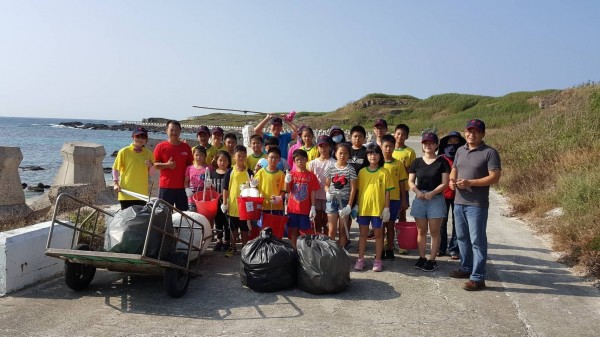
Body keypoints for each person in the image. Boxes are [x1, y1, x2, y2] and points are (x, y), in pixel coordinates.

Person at [449, 119, 502, 291]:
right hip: (459, 202)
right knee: (462, 238)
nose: (472, 135)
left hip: (476, 205)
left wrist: (470, 182)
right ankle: (466, 268)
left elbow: (494, 177)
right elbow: (455, 169)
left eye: (476, 132)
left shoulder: (489, 153)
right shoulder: (460, 150)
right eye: (469, 131)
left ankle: (478, 277)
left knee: (477, 240)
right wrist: (451, 180)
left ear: (483, 134)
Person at [408, 132, 450, 272]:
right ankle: (421, 257)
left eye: (431, 143)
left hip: (436, 199)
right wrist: (417, 191)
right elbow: (411, 181)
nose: (428, 145)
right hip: (420, 198)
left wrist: (432, 193)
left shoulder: (442, 162)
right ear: (422, 145)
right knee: (421, 231)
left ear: (436, 145)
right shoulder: (417, 162)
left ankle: (432, 259)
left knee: (434, 231)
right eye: (425, 143)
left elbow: (445, 183)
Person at [355, 144, 393, 272]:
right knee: (363, 234)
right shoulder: (361, 172)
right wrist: (356, 205)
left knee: (378, 235)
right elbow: (357, 190)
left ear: (380, 156)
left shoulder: (384, 172)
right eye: (370, 153)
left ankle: (378, 260)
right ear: (367, 156)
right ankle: (360, 259)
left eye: (376, 153)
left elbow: (388, 191)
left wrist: (387, 208)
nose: (373, 156)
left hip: (378, 210)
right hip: (364, 209)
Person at [221, 145, 255, 257]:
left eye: (243, 156)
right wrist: (225, 203)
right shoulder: (230, 172)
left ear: (246, 157)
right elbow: (225, 189)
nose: (241, 158)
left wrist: (254, 184)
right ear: (234, 157)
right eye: (238, 156)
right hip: (233, 206)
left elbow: (254, 189)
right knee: (233, 229)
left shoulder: (249, 172)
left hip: (245, 207)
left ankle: (245, 249)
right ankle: (233, 247)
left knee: (244, 229)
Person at [437, 131, 466, 259]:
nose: (453, 145)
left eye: (456, 142)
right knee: (441, 222)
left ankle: (454, 249)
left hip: (460, 195)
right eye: (450, 142)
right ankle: (440, 247)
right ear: (445, 144)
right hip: (442, 194)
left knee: (458, 223)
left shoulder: (464, 157)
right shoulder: (440, 159)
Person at [153, 120, 193, 210]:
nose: (174, 132)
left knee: (183, 215)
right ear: (166, 131)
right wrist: (167, 165)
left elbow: (190, 166)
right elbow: (155, 165)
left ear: (180, 131)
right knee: (164, 215)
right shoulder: (161, 147)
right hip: (166, 187)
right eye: (171, 130)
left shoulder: (186, 147)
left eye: (177, 130)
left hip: (182, 188)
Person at [285, 149, 320, 249]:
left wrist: (313, 206)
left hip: (305, 209)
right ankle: (294, 249)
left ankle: (304, 251)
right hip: (293, 209)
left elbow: (313, 191)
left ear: (306, 160)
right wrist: (287, 181)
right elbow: (287, 190)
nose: (300, 161)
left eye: (302, 159)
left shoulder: (311, 176)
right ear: (294, 162)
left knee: (305, 232)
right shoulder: (291, 174)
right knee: (293, 231)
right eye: (297, 160)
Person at [112, 127, 154, 209]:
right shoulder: (124, 151)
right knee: (126, 219)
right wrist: (116, 183)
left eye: (143, 137)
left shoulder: (149, 154)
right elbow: (115, 168)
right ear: (133, 137)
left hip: (141, 194)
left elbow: (151, 173)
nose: (140, 139)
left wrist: (151, 165)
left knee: (139, 220)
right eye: (138, 136)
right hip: (126, 192)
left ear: (146, 140)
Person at [324, 142, 357, 248]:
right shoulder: (330, 168)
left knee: (343, 230)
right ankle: (332, 251)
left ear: (349, 155)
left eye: (345, 153)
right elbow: (326, 185)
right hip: (332, 201)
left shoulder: (351, 169)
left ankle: (341, 251)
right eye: (340, 153)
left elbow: (353, 189)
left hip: (344, 202)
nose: (342, 155)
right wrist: (327, 192)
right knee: (332, 229)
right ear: (336, 154)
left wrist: (349, 206)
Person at [381, 134, 407, 260]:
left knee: (390, 225)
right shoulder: (377, 163)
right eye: (386, 146)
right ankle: (380, 249)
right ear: (381, 146)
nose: (388, 149)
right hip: (379, 200)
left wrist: (403, 199)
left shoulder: (398, 164)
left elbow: (402, 183)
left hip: (394, 199)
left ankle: (390, 249)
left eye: (391, 146)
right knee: (379, 227)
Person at [308, 135, 336, 234]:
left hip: (328, 197)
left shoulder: (334, 163)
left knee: (327, 223)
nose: (323, 149)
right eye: (321, 146)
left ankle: (326, 242)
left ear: (330, 147)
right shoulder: (312, 163)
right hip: (315, 196)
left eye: (325, 146)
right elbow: (310, 180)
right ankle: (318, 242)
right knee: (317, 222)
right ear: (317, 148)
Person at [346, 125, 369, 247]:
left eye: (360, 136)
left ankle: (362, 241)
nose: (357, 139)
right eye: (355, 136)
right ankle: (347, 238)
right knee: (347, 216)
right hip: (347, 189)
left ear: (364, 138)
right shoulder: (346, 150)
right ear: (350, 137)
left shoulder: (366, 152)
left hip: (362, 189)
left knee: (361, 216)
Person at [393, 123, 416, 226]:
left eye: (403, 134)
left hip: (403, 187)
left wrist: (405, 169)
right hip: (390, 187)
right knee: (388, 213)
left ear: (407, 136)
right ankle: (387, 236)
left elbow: (414, 171)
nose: (400, 137)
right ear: (394, 134)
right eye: (398, 134)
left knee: (402, 212)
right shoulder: (389, 149)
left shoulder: (410, 152)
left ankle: (402, 237)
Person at [254, 146, 286, 217]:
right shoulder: (260, 172)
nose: (273, 160)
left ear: (279, 159)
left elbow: (283, 190)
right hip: (263, 206)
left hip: (277, 207)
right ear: (266, 157)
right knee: (264, 228)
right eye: (271, 157)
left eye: (276, 157)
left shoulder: (281, 174)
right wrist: (252, 182)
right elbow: (254, 186)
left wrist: (279, 198)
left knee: (276, 227)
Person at [210, 150, 232, 252]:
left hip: (227, 202)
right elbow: (210, 188)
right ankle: (219, 241)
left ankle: (227, 241)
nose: (222, 162)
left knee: (227, 222)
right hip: (216, 202)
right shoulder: (213, 174)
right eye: (220, 160)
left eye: (225, 161)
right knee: (218, 221)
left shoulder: (230, 172)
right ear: (217, 161)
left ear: (229, 162)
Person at [184, 146, 212, 212]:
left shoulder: (209, 169)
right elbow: (186, 181)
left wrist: (209, 184)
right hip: (191, 199)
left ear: (205, 156)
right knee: (193, 218)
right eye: (196, 155)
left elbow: (212, 183)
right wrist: (187, 189)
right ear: (193, 155)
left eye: (201, 155)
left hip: (204, 199)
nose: (198, 157)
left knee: (204, 218)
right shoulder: (189, 168)